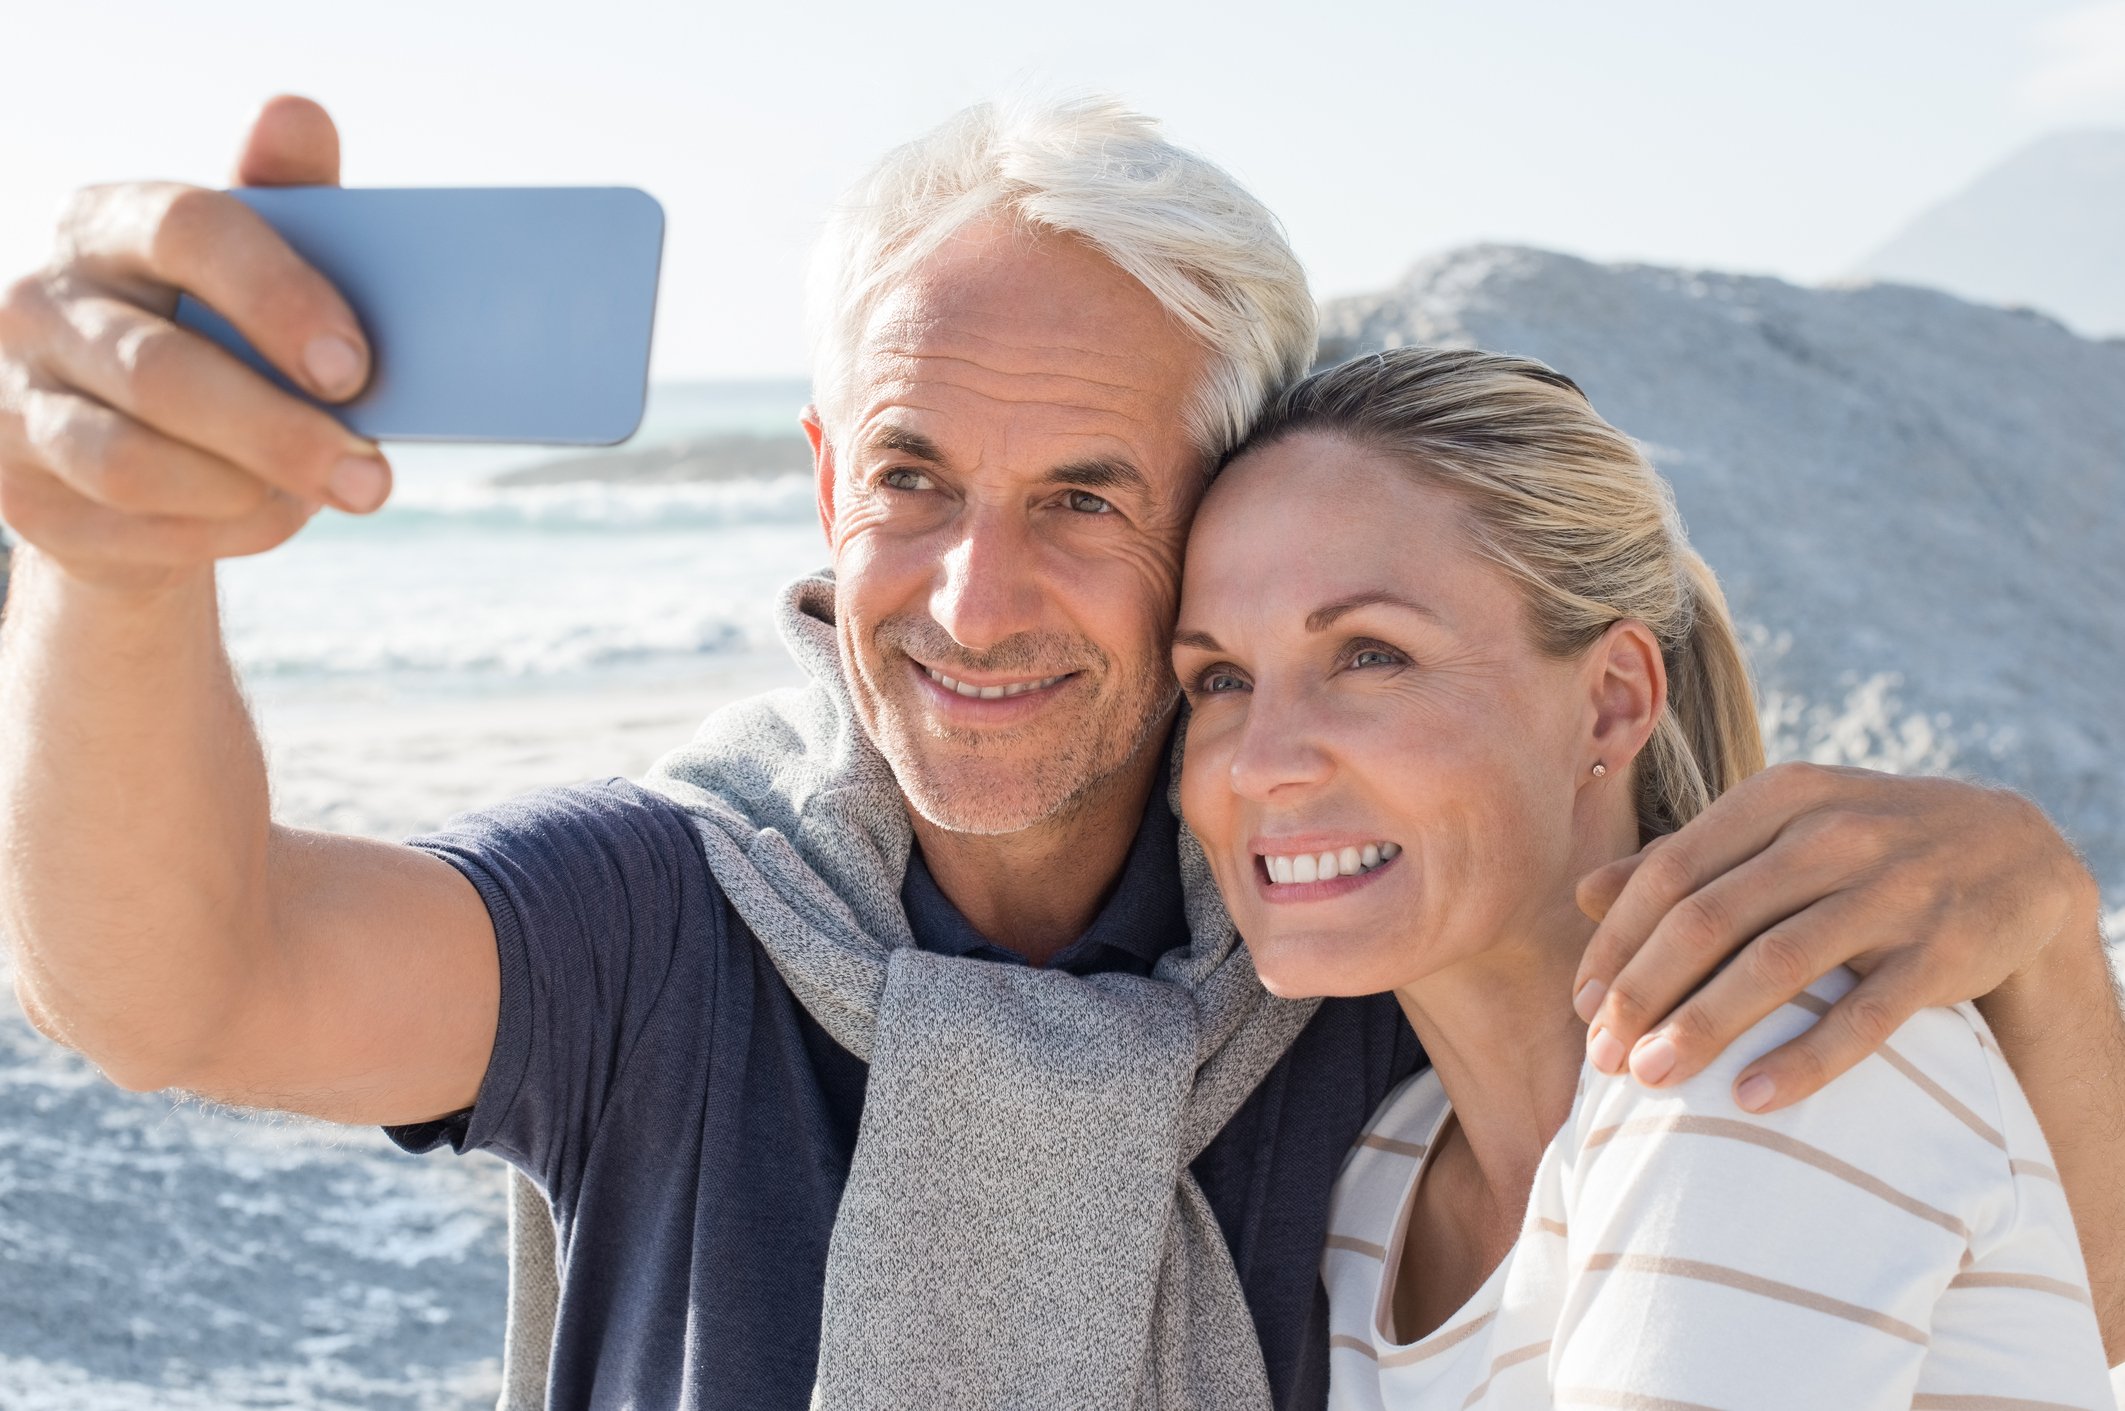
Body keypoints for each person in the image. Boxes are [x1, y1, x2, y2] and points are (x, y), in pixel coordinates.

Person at [0, 92, 2119, 1411]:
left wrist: (2037, 937)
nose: (974, 594)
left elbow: (2000, 1284)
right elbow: (186, 981)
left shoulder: (1359, 935)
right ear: (823, 477)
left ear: (1219, 516)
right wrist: (114, 574)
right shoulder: (679, 909)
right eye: (914, 478)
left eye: (1088, 497)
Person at [1172, 345, 2116, 1408]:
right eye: (1219, 678)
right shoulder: (1375, 1186)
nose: (1259, 760)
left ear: (1614, 699)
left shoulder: (1758, 1050)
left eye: (1369, 654)